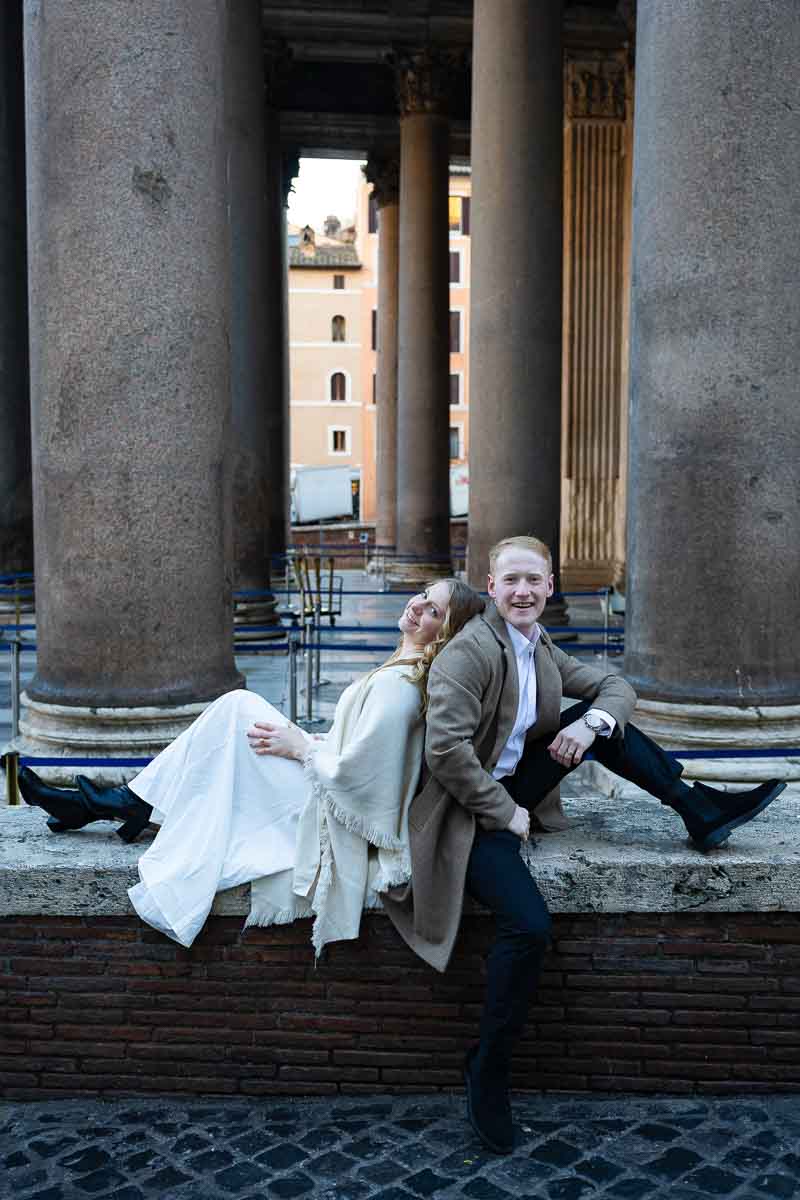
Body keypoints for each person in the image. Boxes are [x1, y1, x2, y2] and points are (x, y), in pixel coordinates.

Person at [383, 534, 786, 1155]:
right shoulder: (471, 652)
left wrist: (592, 721)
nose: (523, 591)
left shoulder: (538, 644)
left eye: (534, 581)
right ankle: (487, 1067)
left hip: (515, 786)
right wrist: (507, 814)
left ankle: (697, 811)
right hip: (468, 813)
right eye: (510, 580)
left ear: (550, 588)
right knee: (530, 928)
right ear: (490, 587)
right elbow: (445, 752)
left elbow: (618, 686)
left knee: (602, 726)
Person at [19, 579, 485, 954]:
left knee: (237, 711)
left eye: (434, 611)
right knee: (234, 722)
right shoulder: (399, 669)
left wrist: (301, 747)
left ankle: (118, 804)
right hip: (324, 780)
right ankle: (119, 803)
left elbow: (359, 778)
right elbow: (357, 746)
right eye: (424, 596)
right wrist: (311, 740)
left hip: (329, 816)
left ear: (445, 632)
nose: (418, 607)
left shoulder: (401, 688)